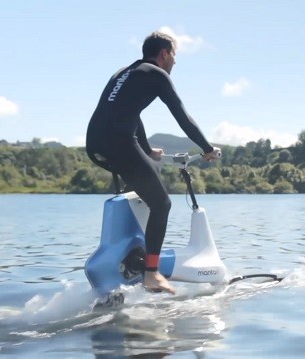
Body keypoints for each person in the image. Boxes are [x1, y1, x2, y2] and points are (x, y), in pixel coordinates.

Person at [86, 31, 220, 294]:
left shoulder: (124, 72)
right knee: (162, 203)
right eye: (175, 56)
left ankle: (126, 260)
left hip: (95, 144)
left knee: (140, 192)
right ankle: (151, 274)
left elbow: (129, 111)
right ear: (164, 53)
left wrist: (147, 150)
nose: (174, 63)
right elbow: (182, 115)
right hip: (119, 143)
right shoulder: (157, 74)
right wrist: (206, 148)